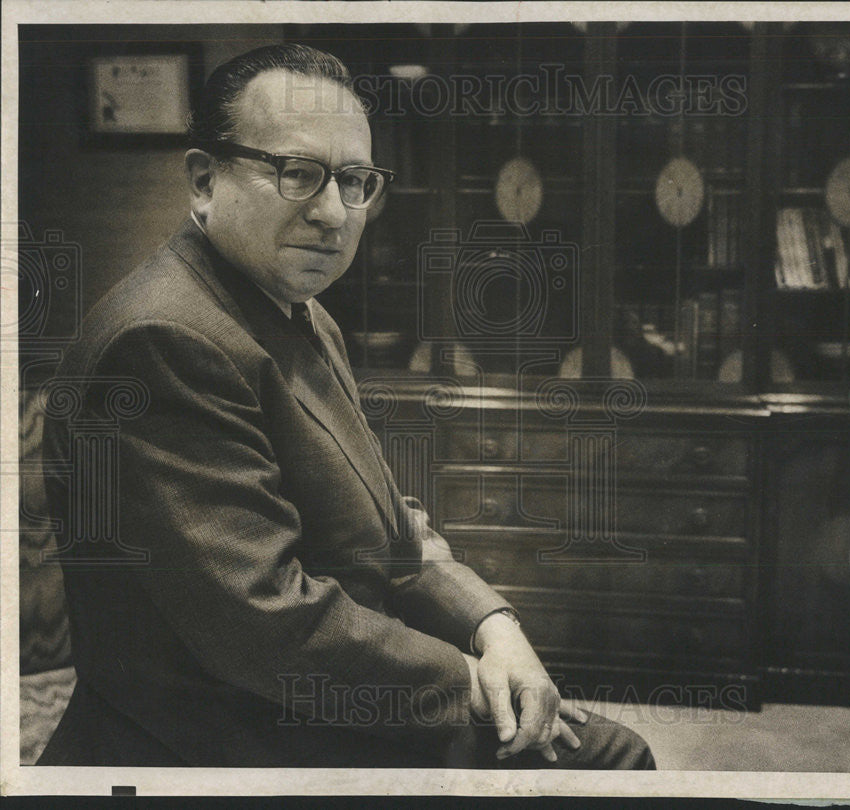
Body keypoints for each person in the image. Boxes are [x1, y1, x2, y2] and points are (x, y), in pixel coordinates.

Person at [39, 43, 654, 770]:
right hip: (222, 739)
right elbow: (266, 624)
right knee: (610, 760)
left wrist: (494, 626)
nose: (334, 213)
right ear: (204, 180)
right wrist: (467, 676)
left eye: (356, 180)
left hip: (305, 698)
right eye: (297, 174)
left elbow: (386, 525)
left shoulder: (297, 311)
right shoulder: (163, 339)